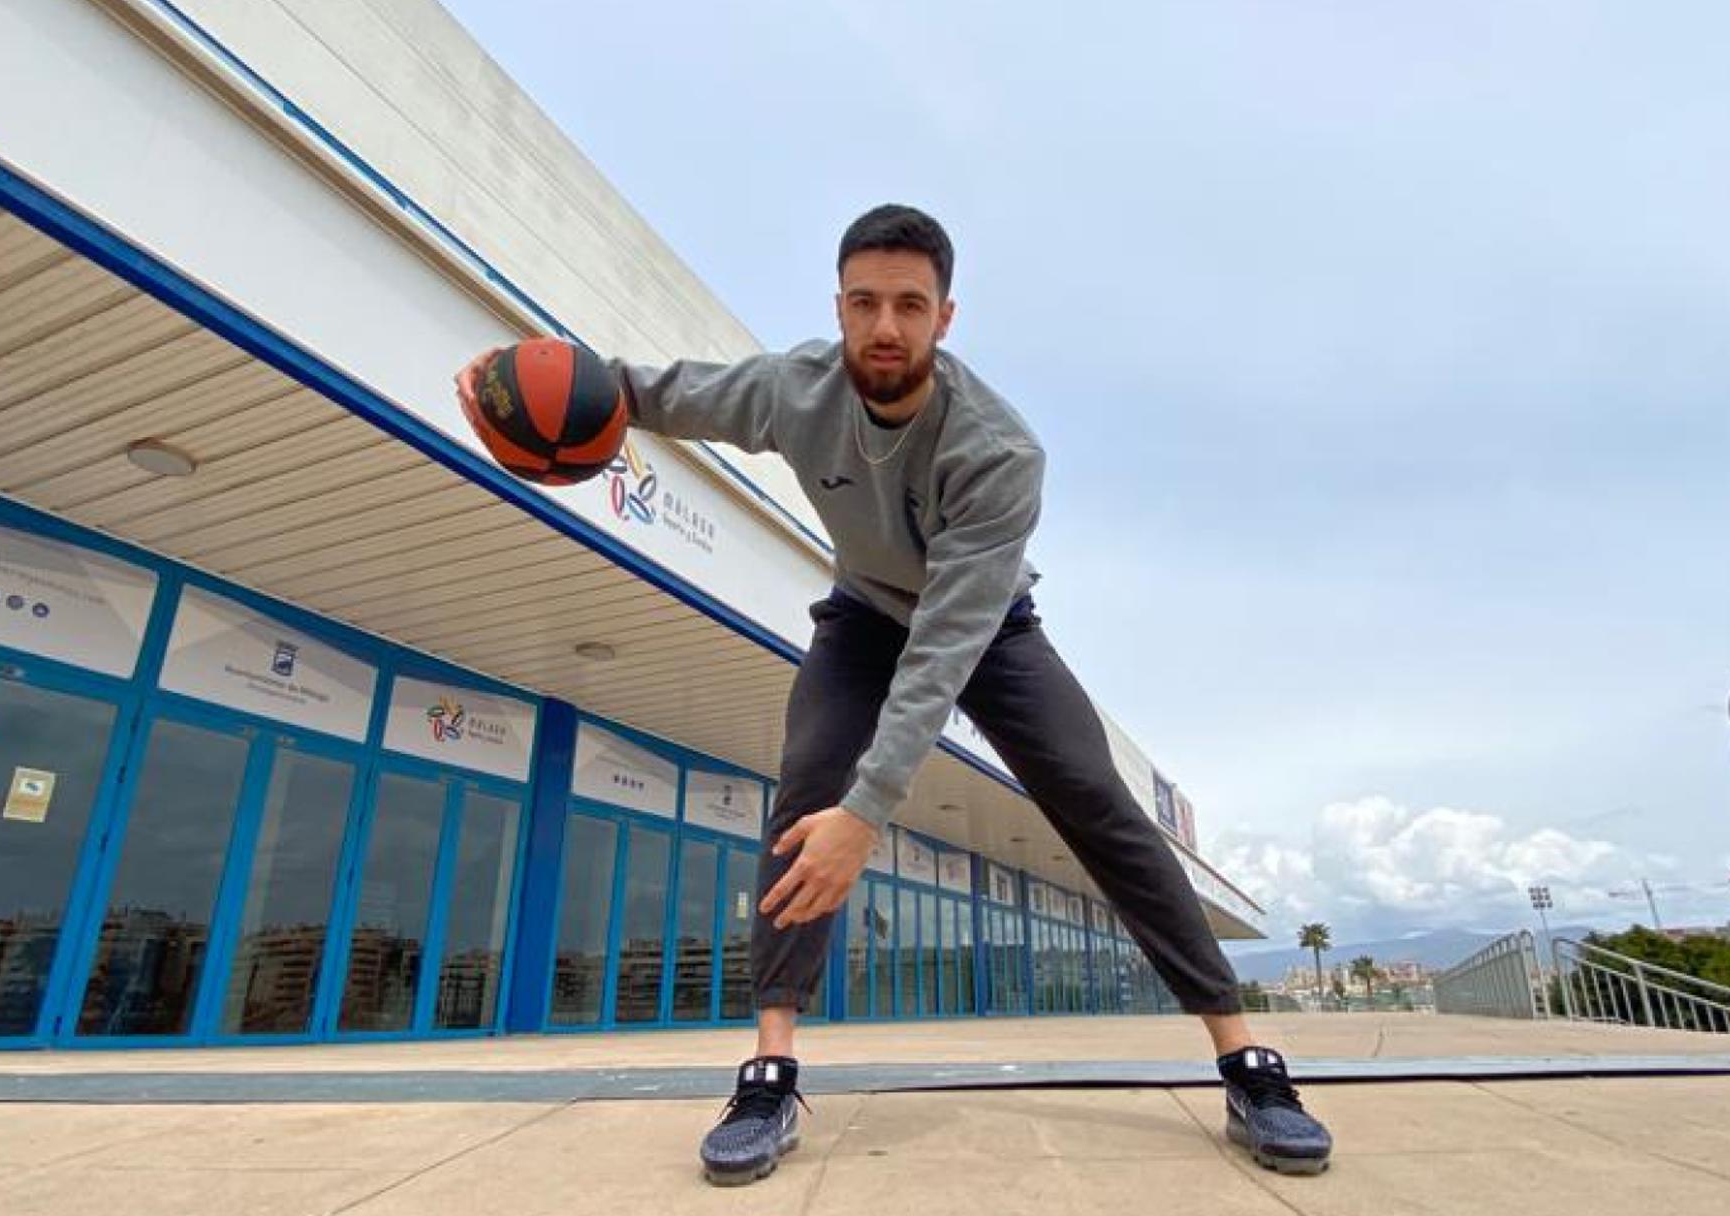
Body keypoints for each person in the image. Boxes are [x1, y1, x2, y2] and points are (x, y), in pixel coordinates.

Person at [454, 204, 1333, 1185]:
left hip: (986, 626)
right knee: (805, 789)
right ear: (839, 307)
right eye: (865, 302)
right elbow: (649, 393)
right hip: (865, 614)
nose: (885, 325)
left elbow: (943, 653)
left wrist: (868, 815)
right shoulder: (797, 389)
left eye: (909, 305)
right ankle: (771, 1066)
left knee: (1098, 801)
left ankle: (1246, 1061)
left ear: (944, 318)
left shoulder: (999, 451)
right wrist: (510, 380)